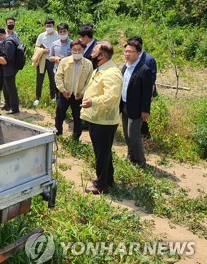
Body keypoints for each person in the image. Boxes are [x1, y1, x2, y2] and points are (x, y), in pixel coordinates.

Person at [81, 41, 123, 194]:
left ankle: (101, 185)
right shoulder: (101, 69)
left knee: (102, 153)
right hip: (96, 117)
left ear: (102, 56)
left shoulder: (112, 72)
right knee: (103, 152)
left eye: (94, 51)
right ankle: (108, 179)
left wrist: (93, 102)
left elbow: (112, 97)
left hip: (104, 120)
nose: (91, 53)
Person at [120, 39, 153, 168]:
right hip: (124, 105)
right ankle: (130, 155)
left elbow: (147, 93)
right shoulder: (125, 67)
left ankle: (140, 160)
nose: (127, 54)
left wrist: (145, 110)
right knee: (127, 135)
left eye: (130, 51)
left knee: (134, 135)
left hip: (136, 108)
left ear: (138, 53)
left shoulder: (144, 70)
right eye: (126, 51)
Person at [54, 39, 93, 140]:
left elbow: (89, 82)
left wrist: (83, 93)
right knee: (59, 113)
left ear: (83, 50)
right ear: (70, 50)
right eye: (74, 50)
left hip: (78, 95)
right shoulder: (64, 61)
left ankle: (75, 138)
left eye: (79, 50)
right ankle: (58, 133)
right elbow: (58, 77)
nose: (76, 52)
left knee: (78, 117)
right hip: (65, 94)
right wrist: (62, 90)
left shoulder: (88, 64)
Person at [126, 36, 158, 140]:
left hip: (143, 94)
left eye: (131, 50)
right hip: (132, 96)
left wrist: (149, 99)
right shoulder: (128, 62)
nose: (128, 53)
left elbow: (151, 81)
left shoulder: (149, 60)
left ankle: (145, 136)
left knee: (142, 117)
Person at [33, 18, 59, 106]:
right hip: (42, 60)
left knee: (53, 79)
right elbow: (36, 47)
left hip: (53, 60)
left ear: (53, 26)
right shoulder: (41, 36)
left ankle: (53, 97)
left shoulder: (57, 35)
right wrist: (43, 50)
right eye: (47, 26)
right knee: (39, 79)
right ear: (45, 26)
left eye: (50, 26)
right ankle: (37, 98)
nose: (49, 28)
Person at [0, 27, 20, 114]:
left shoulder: (9, 42)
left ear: (1, 35)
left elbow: (7, 58)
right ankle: (7, 104)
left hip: (10, 69)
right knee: (5, 87)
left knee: (11, 88)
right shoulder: (7, 40)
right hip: (6, 69)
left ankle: (15, 108)